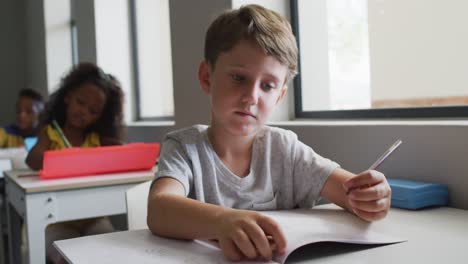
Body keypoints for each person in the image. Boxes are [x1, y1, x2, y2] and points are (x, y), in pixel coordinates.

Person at [147, 4, 392, 262]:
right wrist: (222, 221)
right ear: (207, 77)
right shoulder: (185, 148)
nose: (251, 97)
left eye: (267, 85)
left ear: (279, 97)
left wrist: (369, 197)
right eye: (239, 78)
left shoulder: (285, 149)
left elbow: (348, 190)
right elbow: (159, 208)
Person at [25, 62, 125, 264]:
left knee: (111, 252)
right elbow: (32, 160)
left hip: (94, 216)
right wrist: (57, 159)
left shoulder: (97, 139)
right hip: (56, 220)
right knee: (65, 257)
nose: (84, 112)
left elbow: (122, 152)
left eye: (93, 111)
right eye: (80, 102)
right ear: (68, 97)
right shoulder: (51, 133)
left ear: (100, 117)